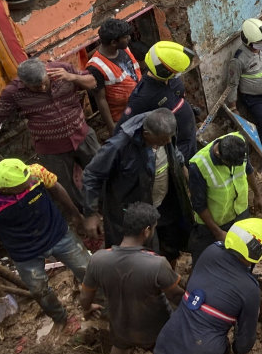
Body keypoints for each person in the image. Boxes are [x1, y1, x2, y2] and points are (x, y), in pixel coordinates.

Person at [0, 58, 100, 211]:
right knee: (66, 187)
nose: (43, 89)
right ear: (24, 83)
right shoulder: (14, 92)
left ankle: (113, 201)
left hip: (83, 135)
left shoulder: (63, 70)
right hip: (52, 150)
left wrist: (71, 77)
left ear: (46, 72)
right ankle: (85, 214)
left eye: (44, 83)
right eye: (36, 88)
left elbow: (92, 82)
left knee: (103, 168)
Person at [153, 219, 262, 354]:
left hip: (164, 349)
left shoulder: (210, 252)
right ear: (257, 252)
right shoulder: (250, 289)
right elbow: (242, 347)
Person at [79, 202, 184, 354]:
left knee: (119, 350)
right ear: (146, 231)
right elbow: (176, 296)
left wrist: (87, 308)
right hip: (155, 329)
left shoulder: (98, 259)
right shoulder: (156, 264)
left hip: (121, 326)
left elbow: (85, 295)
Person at [0, 158, 88, 325]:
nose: (29, 183)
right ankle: (61, 320)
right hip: (25, 253)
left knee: (88, 270)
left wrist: (76, 214)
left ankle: (101, 305)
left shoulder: (35, 172)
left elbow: (56, 187)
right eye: (23, 185)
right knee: (40, 291)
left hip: (58, 234)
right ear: (5, 189)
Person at [81, 108, 189, 251]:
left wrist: (183, 170)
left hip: (163, 204)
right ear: (147, 135)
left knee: (169, 246)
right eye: (163, 140)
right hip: (129, 211)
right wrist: (91, 213)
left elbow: (174, 151)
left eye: (170, 137)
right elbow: (92, 175)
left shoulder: (165, 131)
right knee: (138, 253)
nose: (168, 141)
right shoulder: (119, 146)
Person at [187, 133, 262, 257]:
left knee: (241, 252)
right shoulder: (199, 166)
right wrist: (218, 232)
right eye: (229, 164)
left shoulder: (239, 144)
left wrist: (257, 195)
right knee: (206, 257)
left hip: (240, 213)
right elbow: (198, 204)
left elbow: (248, 170)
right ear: (218, 154)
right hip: (214, 223)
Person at [121, 41, 198, 160]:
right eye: (175, 73)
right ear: (164, 71)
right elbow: (125, 130)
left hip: (189, 137)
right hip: (176, 148)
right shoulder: (141, 98)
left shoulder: (168, 77)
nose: (177, 75)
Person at [225, 19, 262, 162]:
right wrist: (233, 107)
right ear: (247, 41)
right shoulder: (238, 60)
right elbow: (232, 84)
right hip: (255, 99)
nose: (260, 47)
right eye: (257, 44)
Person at [86, 17, 141, 134]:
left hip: (139, 107)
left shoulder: (124, 48)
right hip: (123, 118)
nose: (129, 38)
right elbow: (101, 99)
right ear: (113, 42)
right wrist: (112, 128)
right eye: (125, 37)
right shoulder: (95, 67)